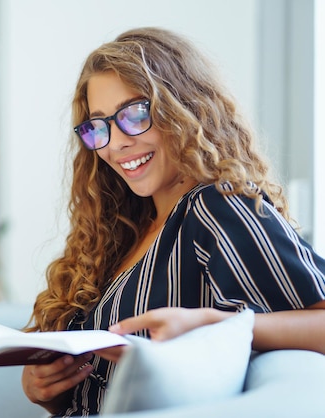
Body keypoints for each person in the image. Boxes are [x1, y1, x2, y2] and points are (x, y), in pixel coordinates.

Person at [21, 27, 325, 417]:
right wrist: (47, 389)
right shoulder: (120, 230)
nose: (115, 144)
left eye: (135, 113)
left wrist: (217, 325)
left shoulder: (218, 206)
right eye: (99, 127)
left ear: (185, 109)